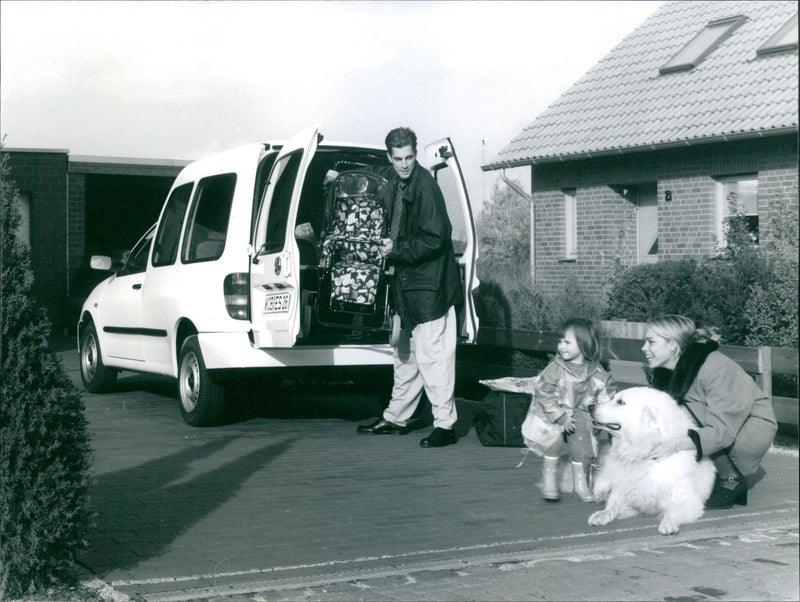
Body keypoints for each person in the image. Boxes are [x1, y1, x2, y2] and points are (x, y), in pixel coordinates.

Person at [356, 127, 463, 448]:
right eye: (398, 158)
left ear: (415, 155)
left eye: (409, 158)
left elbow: (437, 237)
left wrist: (396, 248)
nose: (404, 164)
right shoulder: (394, 177)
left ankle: (445, 425)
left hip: (430, 289)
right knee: (405, 356)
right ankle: (396, 416)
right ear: (390, 157)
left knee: (434, 358)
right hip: (407, 287)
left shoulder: (426, 187)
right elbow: (376, 173)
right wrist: (339, 177)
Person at [642, 315, 778, 509]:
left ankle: (731, 478)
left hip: (749, 427)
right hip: (719, 425)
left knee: (681, 411)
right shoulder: (666, 370)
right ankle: (702, 476)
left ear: (672, 345)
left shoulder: (714, 366)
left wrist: (676, 445)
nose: (644, 348)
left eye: (651, 342)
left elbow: (723, 428)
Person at [532, 318, 617, 502]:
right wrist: (559, 416)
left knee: (583, 449)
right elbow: (543, 392)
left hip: (580, 416)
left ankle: (580, 484)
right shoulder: (555, 369)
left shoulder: (596, 371)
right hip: (554, 415)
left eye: (567, 342)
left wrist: (604, 414)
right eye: (560, 341)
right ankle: (549, 480)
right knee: (553, 444)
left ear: (584, 344)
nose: (561, 346)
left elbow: (606, 393)